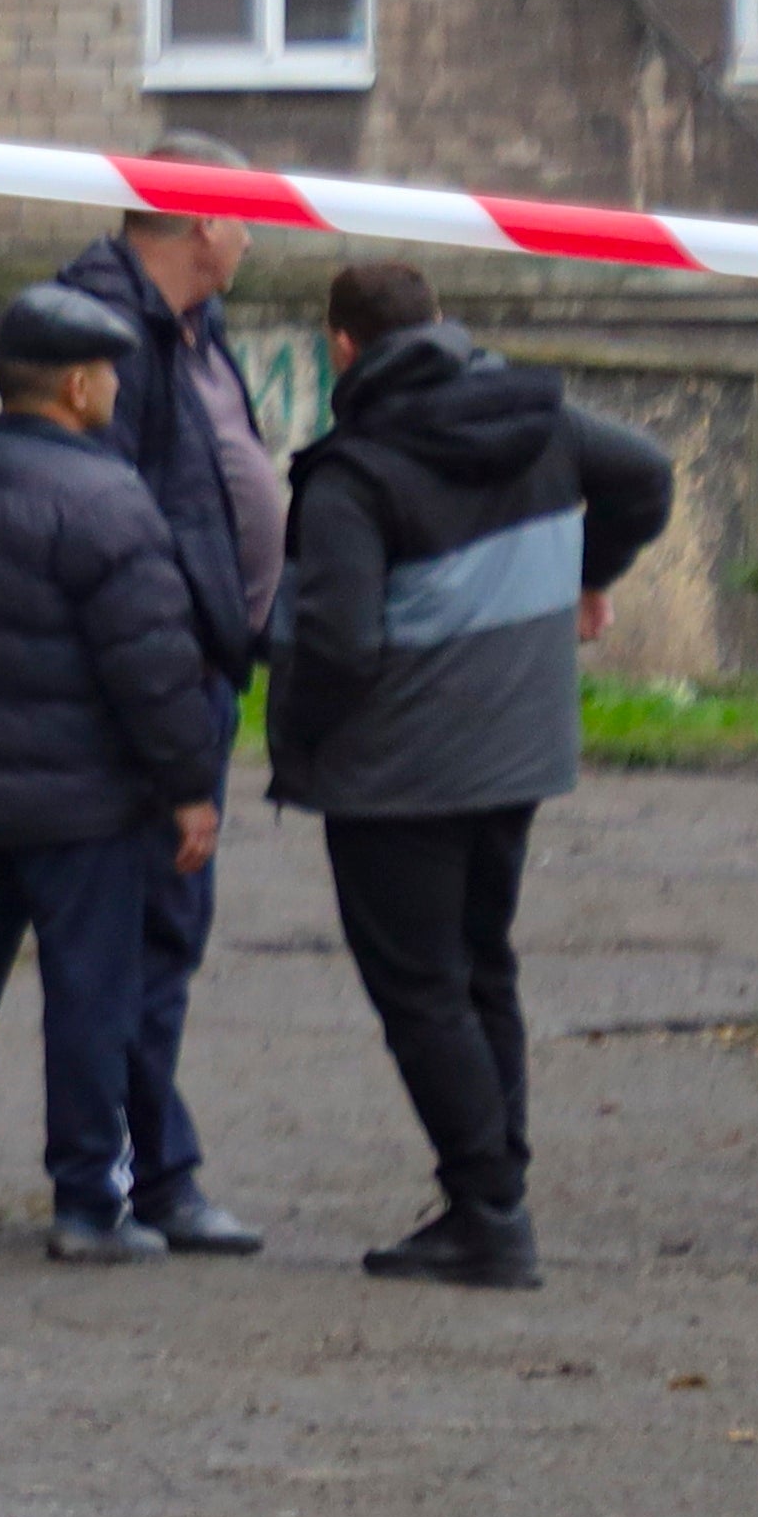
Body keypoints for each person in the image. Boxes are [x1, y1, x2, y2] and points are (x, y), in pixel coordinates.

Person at [268, 257, 678, 1288]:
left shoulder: (352, 472)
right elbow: (649, 475)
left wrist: (301, 747)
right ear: (441, 325)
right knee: (481, 966)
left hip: (397, 771)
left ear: (344, 347)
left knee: (420, 989)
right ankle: (491, 1189)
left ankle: (490, 1210)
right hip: (516, 750)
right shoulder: (540, 417)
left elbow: (337, 641)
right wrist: (592, 573)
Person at [0, 288, 233, 1265]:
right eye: (110, 375)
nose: (117, 388)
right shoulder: (107, 498)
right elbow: (154, 664)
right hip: (80, 808)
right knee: (90, 999)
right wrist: (189, 785)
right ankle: (88, 1205)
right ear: (79, 386)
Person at [50, 195, 283, 1256]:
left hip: (204, 666)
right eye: (246, 218)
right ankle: (145, 1175)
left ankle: (140, 1167)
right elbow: (123, 530)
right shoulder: (109, 335)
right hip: (157, 679)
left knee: (165, 934)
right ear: (199, 225)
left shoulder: (196, 331)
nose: (255, 238)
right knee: (143, 933)